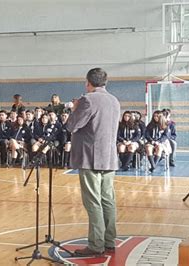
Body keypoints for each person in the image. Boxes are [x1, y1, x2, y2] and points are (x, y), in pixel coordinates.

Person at [66, 68, 120, 256]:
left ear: (88, 82)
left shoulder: (88, 100)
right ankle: (109, 241)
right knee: (108, 200)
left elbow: (73, 125)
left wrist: (74, 109)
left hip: (91, 158)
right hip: (109, 158)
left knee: (93, 202)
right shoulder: (114, 100)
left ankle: (96, 245)